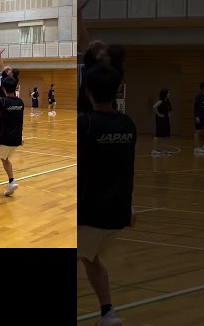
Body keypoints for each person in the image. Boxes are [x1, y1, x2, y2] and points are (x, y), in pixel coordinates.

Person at [77, 64, 136, 326]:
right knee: (90, 258)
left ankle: (108, 313)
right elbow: (128, 168)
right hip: (118, 212)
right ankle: (107, 313)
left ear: (88, 92)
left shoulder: (86, 124)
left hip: (91, 212)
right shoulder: (128, 124)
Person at [152, 88, 173, 155]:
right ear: (165, 94)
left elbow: (169, 110)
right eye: (168, 93)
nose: (169, 94)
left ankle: (166, 150)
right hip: (160, 119)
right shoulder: (161, 101)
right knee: (158, 134)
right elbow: (154, 107)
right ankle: (154, 150)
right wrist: (158, 114)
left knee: (166, 134)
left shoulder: (168, 101)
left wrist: (169, 114)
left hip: (166, 119)